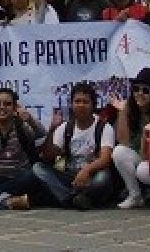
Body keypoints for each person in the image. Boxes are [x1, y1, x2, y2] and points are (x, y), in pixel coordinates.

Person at [32, 82, 117, 210]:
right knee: (38, 168)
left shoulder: (104, 127)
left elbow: (105, 159)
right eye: (77, 101)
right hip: (70, 177)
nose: (81, 105)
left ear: (93, 105)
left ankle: (73, 198)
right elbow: (49, 156)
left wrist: (86, 171)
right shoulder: (65, 128)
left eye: (85, 102)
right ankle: (73, 199)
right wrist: (52, 130)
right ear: (71, 105)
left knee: (102, 178)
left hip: (92, 176)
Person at [111, 68, 150, 208]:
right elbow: (123, 141)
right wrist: (121, 112)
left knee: (143, 170)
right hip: (140, 154)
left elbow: (149, 154)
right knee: (119, 151)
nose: (139, 94)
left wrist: (146, 134)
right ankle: (135, 195)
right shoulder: (131, 110)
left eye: (145, 90)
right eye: (136, 89)